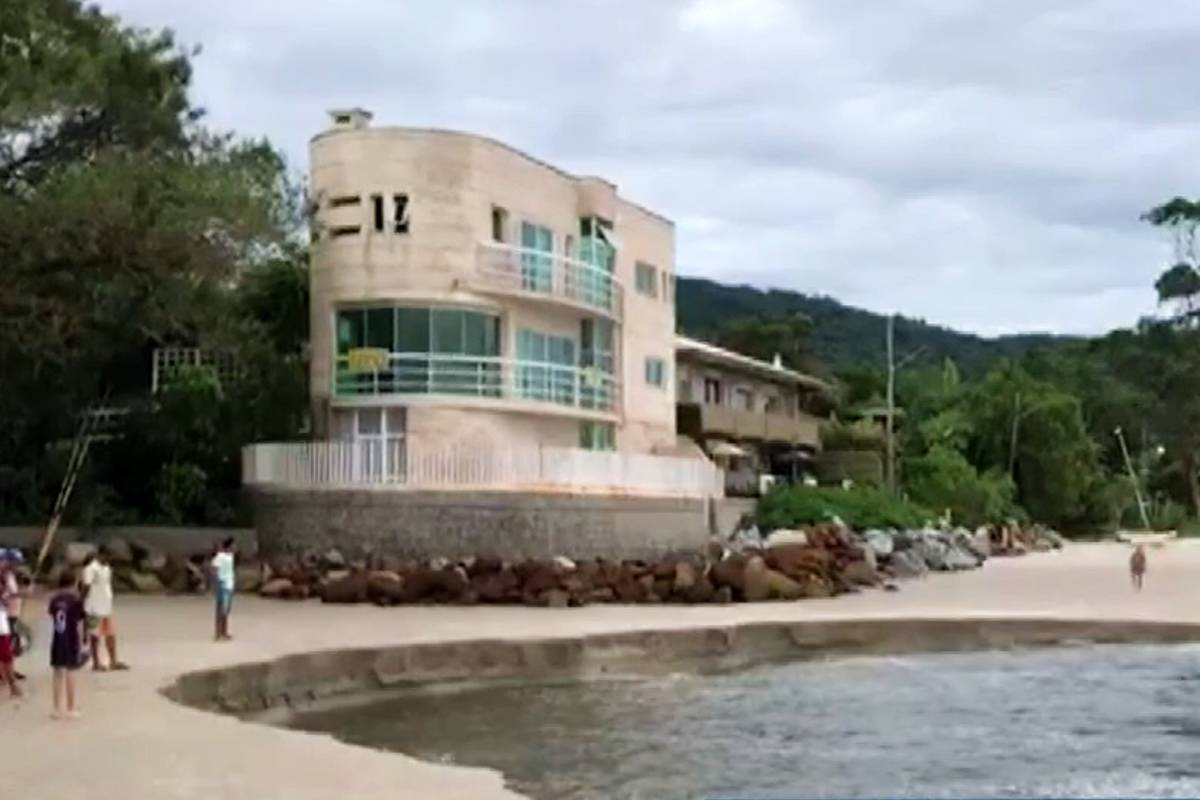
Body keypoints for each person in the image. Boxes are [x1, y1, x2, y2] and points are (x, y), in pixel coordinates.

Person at [80, 548, 128, 671]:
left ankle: (113, 661)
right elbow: (86, 586)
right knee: (95, 636)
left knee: (110, 634)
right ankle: (96, 662)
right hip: (94, 607)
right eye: (108, 557)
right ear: (101, 555)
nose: (109, 560)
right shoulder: (90, 569)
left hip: (106, 607)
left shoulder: (106, 568)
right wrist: (81, 602)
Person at [48, 571, 85, 719]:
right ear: (73, 583)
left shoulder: (54, 600)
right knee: (70, 671)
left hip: (57, 638)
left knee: (57, 673)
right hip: (71, 638)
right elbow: (79, 623)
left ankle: (56, 709)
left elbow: (53, 617)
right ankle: (70, 708)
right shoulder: (76, 600)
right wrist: (82, 642)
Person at [2, 549, 31, 680]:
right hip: (6, 615)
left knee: (13, 644)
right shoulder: (3, 576)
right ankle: (7, 672)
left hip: (14, 614)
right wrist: (21, 594)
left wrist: (24, 587)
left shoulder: (12, 575)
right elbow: (5, 595)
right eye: (15, 562)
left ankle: (10, 670)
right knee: (9, 644)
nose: (17, 565)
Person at [211, 538, 236, 642]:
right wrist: (217, 582)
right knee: (220, 609)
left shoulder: (231, 556)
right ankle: (217, 633)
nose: (235, 547)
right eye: (234, 545)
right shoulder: (220, 556)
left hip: (229, 585)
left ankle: (224, 632)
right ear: (229, 546)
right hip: (223, 585)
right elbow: (214, 569)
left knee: (226, 610)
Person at [0, 578, 20, 699]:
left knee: (6, 659)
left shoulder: (3, 599)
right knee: (7, 659)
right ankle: (13, 687)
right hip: (1, 632)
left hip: (3, 631)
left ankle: (12, 686)